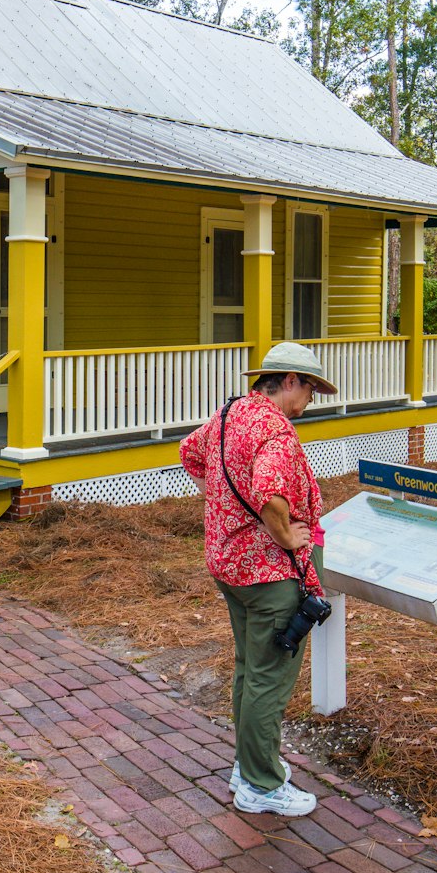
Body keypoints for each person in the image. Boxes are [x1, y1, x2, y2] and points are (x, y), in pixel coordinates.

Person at [179, 340, 334, 818]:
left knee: (250, 670)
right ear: (289, 381)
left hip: (230, 566)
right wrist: (286, 535)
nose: (309, 401)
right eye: (309, 390)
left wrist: (220, 502)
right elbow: (270, 494)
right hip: (271, 575)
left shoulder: (231, 415)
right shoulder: (276, 431)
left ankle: (246, 766)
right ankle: (262, 786)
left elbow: (190, 452)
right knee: (270, 679)